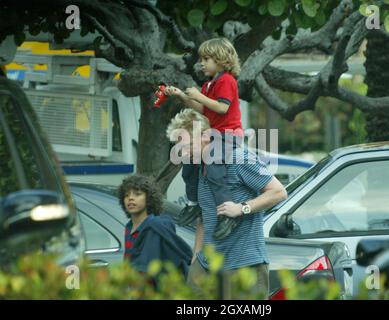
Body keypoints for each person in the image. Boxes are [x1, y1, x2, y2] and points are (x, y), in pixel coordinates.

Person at [166, 109, 288, 299]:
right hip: (207, 265)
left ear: (206, 136)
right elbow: (204, 213)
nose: (183, 152)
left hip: (245, 265)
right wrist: (196, 253)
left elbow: (279, 192)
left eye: (187, 145)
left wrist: (242, 208)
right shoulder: (199, 167)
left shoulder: (239, 158)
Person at [164, 37, 243, 240]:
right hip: (213, 133)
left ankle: (227, 215)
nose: (202, 63)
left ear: (221, 59)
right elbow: (205, 110)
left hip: (228, 134)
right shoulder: (209, 84)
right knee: (189, 165)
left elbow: (222, 108)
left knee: (214, 168)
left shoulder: (226, 81)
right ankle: (194, 203)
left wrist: (198, 96)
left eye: (206, 59)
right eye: (201, 59)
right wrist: (183, 96)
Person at [118, 175, 192, 279]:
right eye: (126, 195)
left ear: (148, 199)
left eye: (137, 194)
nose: (130, 198)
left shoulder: (154, 227)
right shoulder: (129, 227)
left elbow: (147, 270)